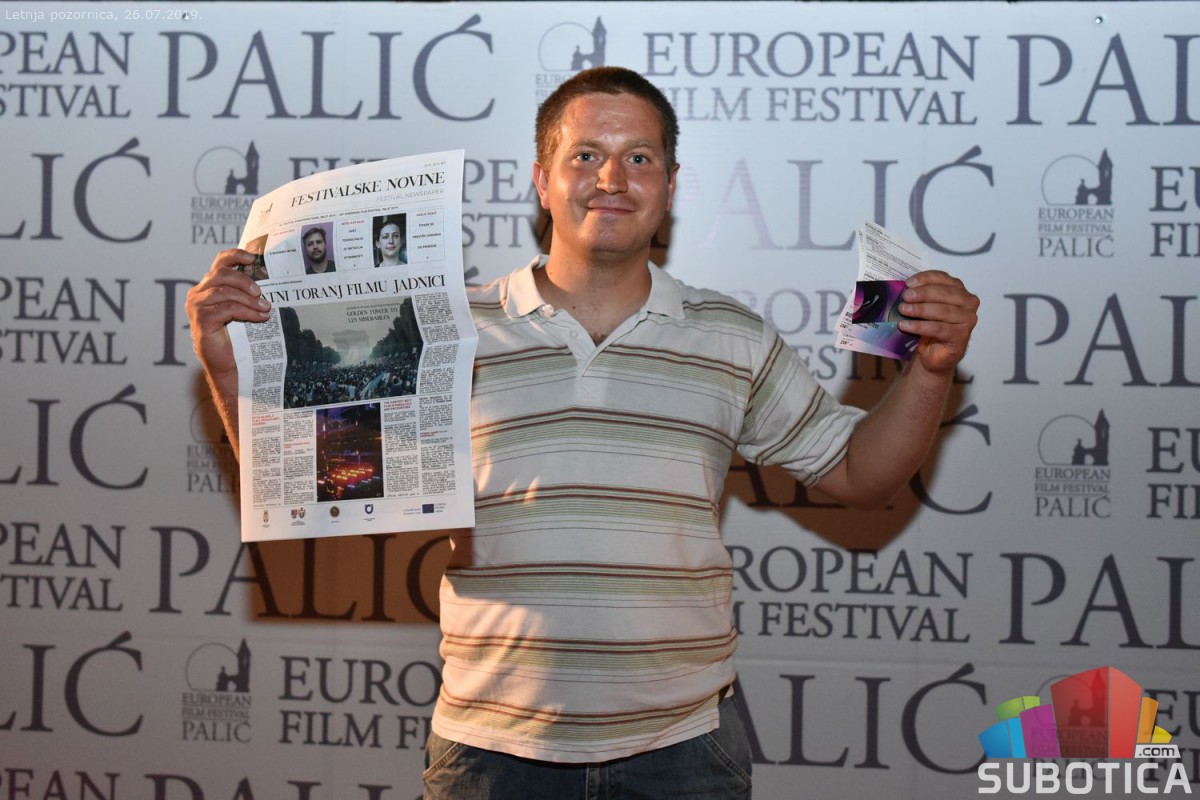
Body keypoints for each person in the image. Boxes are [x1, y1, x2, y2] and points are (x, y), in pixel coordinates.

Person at [186, 66, 978, 799]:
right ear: (542, 179)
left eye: (639, 159)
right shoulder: (441, 329)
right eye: (586, 155)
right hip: (491, 753)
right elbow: (319, 485)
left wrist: (931, 369)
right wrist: (227, 367)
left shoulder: (731, 335)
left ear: (670, 184)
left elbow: (860, 474)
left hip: (684, 752)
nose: (611, 179)